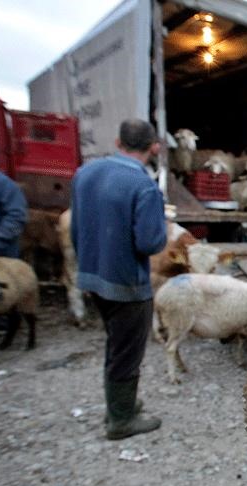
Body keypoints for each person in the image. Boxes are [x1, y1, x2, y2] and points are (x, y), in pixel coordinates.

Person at [70, 119, 167, 440]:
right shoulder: (143, 186)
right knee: (127, 350)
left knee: (115, 342)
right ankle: (121, 420)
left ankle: (120, 404)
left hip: (92, 275)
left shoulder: (85, 174)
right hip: (126, 283)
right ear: (154, 146)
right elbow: (149, 243)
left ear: (117, 141)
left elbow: (75, 229)